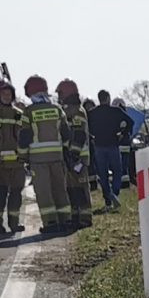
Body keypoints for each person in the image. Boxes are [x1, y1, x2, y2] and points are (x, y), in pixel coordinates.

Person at [21, 75, 74, 231]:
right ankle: (66, 220)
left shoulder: (28, 112)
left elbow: (25, 136)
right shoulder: (57, 109)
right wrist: (64, 150)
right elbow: (66, 133)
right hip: (57, 157)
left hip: (38, 160)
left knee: (44, 192)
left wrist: (23, 156)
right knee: (60, 189)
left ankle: (51, 223)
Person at [0, 81, 27, 239]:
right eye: (4, 94)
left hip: (17, 163)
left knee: (16, 195)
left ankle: (14, 224)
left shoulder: (19, 115)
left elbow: (26, 136)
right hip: (0, 164)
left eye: (9, 94)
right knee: (0, 195)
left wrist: (24, 156)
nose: (7, 97)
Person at [56, 79, 95, 226]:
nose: (59, 96)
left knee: (81, 188)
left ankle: (85, 217)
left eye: (60, 93)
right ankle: (75, 216)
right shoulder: (67, 110)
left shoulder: (78, 111)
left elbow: (79, 134)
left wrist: (73, 154)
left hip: (79, 159)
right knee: (71, 189)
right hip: (69, 158)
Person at [88, 88, 132, 206]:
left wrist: (92, 135)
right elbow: (130, 122)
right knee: (118, 171)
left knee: (103, 175)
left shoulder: (92, 113)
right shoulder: (116, 111)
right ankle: (114, 193)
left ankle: (108, 198)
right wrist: (122, 133)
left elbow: (85, 126)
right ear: (108, 98)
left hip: (99, 146)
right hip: (113, 144)